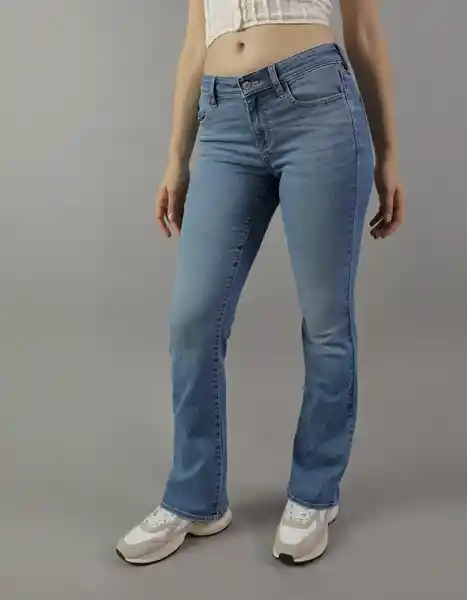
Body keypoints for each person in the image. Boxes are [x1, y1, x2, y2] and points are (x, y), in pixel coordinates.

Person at [117, 0, 405, 566]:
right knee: (193, 320)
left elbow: (366, 35)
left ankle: (314, 492)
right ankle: (195, 498)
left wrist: (389, 153)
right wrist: (176, 158)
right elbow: (196, 40)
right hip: (223, 119)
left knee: (326, 321)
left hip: (318, 107)